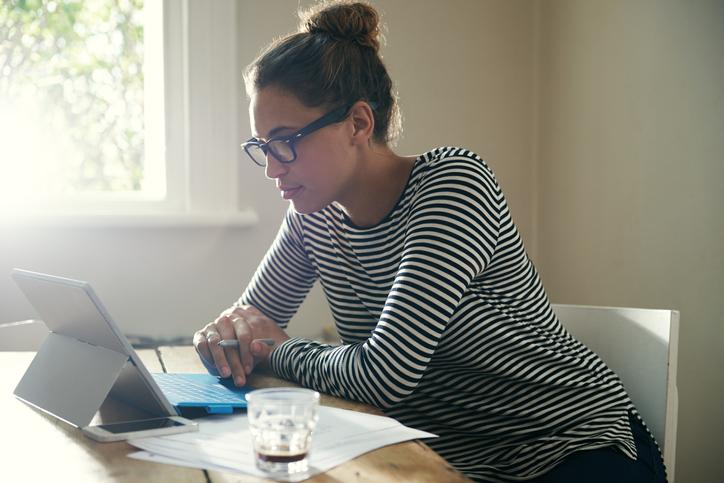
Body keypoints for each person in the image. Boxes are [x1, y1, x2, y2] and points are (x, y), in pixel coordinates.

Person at [193, 2, 667, 481]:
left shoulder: (453, 184)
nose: (273, 167)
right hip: (449, 459)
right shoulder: (311, 217)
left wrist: (276, 350)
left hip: (564, 444)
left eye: (285, 140)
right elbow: (247, 329)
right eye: (262, 147)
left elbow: (384, 375)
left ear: (358, 123)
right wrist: (218, 339)